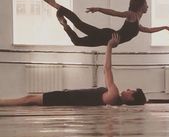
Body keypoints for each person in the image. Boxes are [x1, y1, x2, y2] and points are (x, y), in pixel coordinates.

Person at [0, 34, 146, 107]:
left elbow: (106, 69)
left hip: (66, 99)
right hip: (68, 97)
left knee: (29, 99)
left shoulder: (114, 94)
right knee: (30, 99)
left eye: (131, 91)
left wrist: (109, 46)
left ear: (131, 98)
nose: (127, 89)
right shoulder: (114, 101)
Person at [38, 0, 169, 47]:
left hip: (107, 39)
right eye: (146, 5)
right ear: (140, 6)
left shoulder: (137, 21)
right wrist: (98, 9)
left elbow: (148, 30)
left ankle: (64, 24)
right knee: (79, 25)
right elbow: (115, 13)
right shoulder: (131, 15)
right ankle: (55, 4)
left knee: (77, 41)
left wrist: (164, 27)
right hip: (108, 36)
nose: (148, 6)